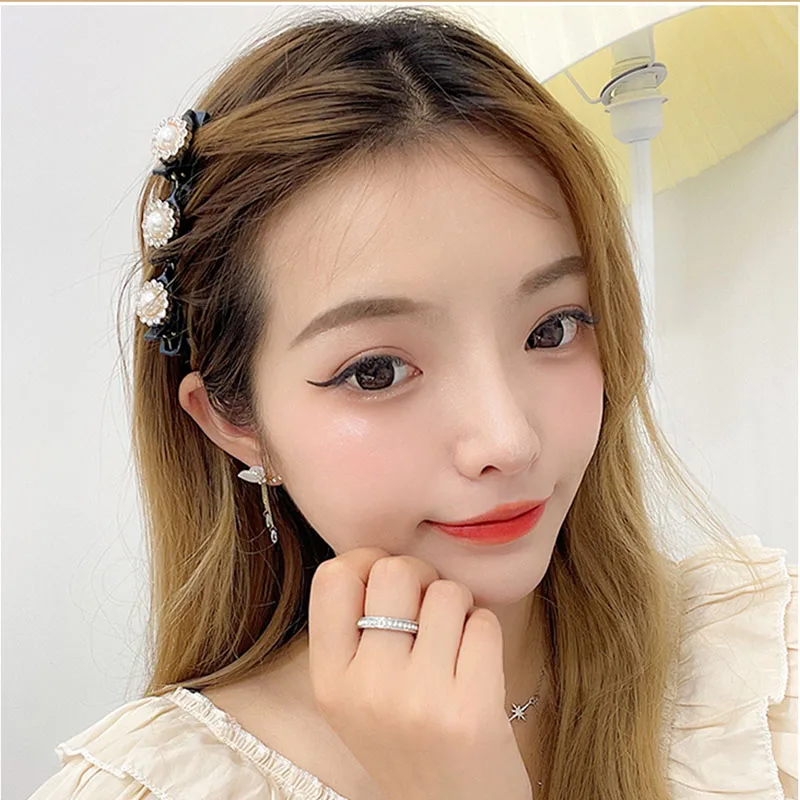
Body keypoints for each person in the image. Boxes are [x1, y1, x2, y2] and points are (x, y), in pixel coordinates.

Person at [30, 6, 797, 800]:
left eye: (552, 329)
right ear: (235, 421)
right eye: (376, 372)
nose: (506, 439)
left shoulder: (760, 682)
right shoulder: (154, 787)